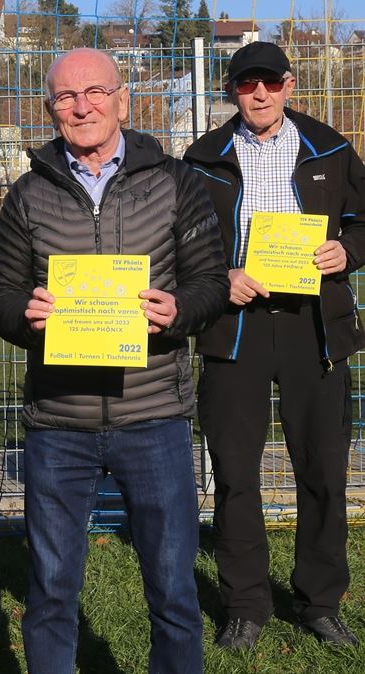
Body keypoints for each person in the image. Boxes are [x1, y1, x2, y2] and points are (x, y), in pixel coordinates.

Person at [0, 48, 229, 673]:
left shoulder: (176, 182)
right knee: (50, 590)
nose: (81, 106)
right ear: (50, 109)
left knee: (173, 590)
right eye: (66, 97)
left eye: (94, 91)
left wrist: (179, 309)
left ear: (122, 100)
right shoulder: (28, 194)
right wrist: (25, 314)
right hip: (57, 421)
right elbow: (0, 297)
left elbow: (210, 282)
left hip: (154, 416)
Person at [184, 41, 365, 649]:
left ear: (289, 85)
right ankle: (245, 604)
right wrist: (221, 276)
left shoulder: (330, 148)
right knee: (235, 472)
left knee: (323, 469)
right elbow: (180, 241)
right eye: (246, 83)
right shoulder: (202, 158)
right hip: (234, 325)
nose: (258, 94)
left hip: (313, 324)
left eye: (269, 82)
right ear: (231, 91)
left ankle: (320, 602)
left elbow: (364, 220)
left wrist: (348, 251)